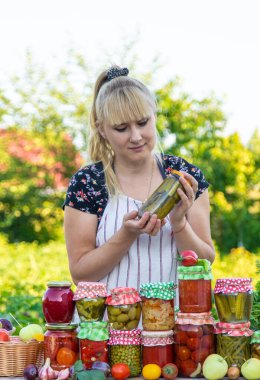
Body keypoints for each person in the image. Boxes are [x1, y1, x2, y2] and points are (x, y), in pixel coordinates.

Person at [63, 66, 215, 291]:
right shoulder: (88, 182)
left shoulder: (182, 175)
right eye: (121, 128)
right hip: (107, 323)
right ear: (102, 129)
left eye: (143, 123)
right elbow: (80, 274)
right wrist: (127, 234)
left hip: (175, 323)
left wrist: (179, 223)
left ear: (154, 116)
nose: (135, 137)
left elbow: (204, 263)